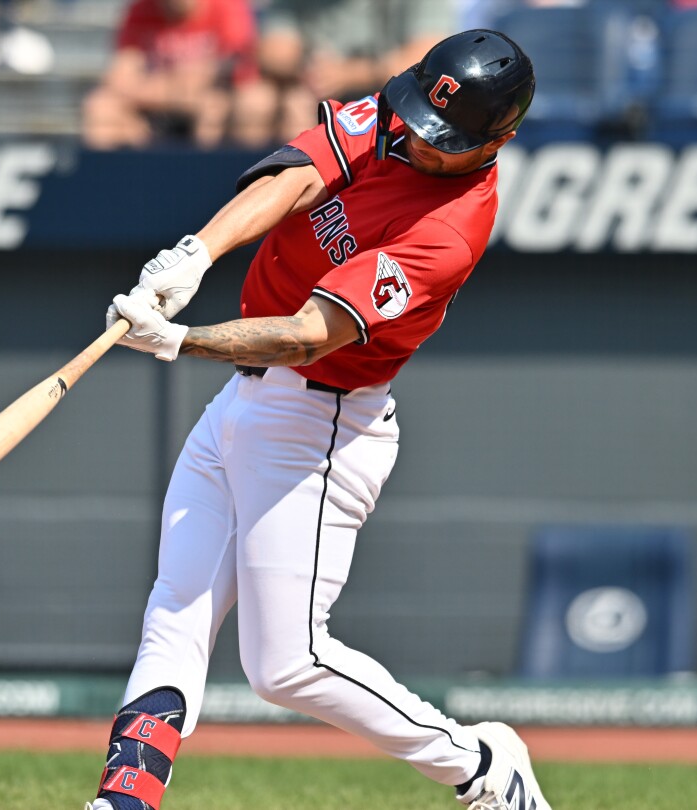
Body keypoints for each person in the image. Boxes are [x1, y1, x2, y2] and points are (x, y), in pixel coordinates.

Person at [87, 30, 550, 810]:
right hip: (243, 402)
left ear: (495, 141)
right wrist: (197, 253)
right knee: (176, 605)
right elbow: (298, 176)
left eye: (443, 139)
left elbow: (309, 335)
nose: (418, 140)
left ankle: (482, 766)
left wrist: (180, 340)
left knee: (287, 665)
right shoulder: (398, 117)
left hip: (321, 425)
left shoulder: (449, 229)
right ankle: (125, 798)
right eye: (419, 118)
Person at [230, 0, 455, 148]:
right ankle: (258, 193)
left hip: (391, 101)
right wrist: (314, 70)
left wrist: (348, 73)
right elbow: (274, 49)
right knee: (258, 102)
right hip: (312, 89)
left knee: (304, 114)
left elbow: (428, 57)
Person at [81, 0, 256, 149]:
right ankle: (129, 171)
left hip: (209, 101)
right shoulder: (141, 9)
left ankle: (212, 172)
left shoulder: (227, 6)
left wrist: (182, 85)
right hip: (155, 105)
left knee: (244, 104)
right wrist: (173, 91)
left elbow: (230, 67)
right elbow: (120, 76)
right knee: (101, 106)